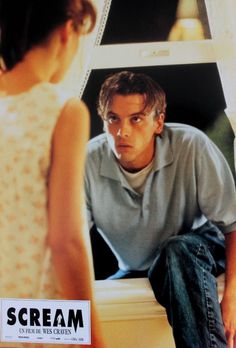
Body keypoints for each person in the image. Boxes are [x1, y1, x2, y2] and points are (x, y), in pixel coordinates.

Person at [85, 70, 236, 348]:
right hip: (136, 267)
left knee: (176, 250)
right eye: (112, 118)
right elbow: (70, 242)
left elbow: (234, 224)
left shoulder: (192, 145)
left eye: (136, 118)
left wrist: (233, 297)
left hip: (199, 252)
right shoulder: (88, 160)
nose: (122, 131)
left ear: (159, 122)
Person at [0, 1, 106, 347]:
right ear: (66, 33)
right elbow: (67, 243)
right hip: (35, 318)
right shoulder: (63, 111)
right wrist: (94, 339)